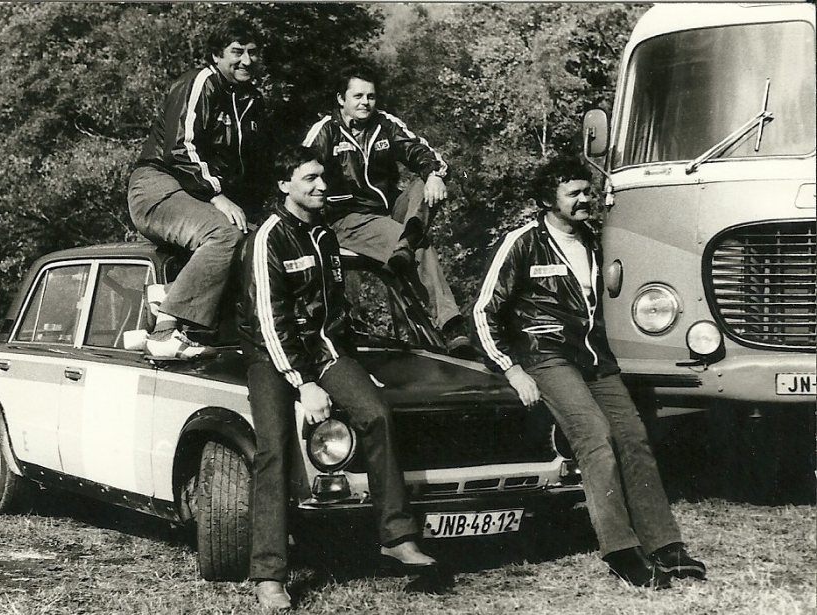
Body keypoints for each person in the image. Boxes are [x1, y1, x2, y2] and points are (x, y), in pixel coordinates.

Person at [470, 154, 706, 589]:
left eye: (586, 191)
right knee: (595, 437)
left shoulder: (595, 240)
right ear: (549, 199)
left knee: (633, 436)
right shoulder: (522, 242)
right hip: (544, 356)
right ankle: (621, 551)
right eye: (573, 193)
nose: (584, 200)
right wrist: (512, 369)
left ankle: (665, 544)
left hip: (594, 357)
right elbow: (484, 311)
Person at [236, 145, 438, 610]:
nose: (321, 186)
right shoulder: (267, 238)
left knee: (376, 413)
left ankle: (397, 537)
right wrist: (302, 382)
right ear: (284, 185)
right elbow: (269, 320)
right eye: (309, 178)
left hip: (325, 352)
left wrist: (349, 371)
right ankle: (269, 573)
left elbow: (333, 315)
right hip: (272, 357)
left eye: (322, 177)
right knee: (274, 448)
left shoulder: (325, 236)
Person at [302, 65, 471, 354]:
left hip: (389, 210)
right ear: (341, 99)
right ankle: (451, 325)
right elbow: (301, 172)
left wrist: (434, 174)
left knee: (425, 183)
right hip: (348, 217)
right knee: (420, 246)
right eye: (357, 96)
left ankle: (405, 244)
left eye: (370, 96)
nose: (365, 103)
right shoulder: (326, 131)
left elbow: (421, 152)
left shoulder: (385, 124)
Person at [127, 18, 268, 359]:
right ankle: (164, 332)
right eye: (237, 52)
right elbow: (180, 149)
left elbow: (257, 168)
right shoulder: (201, 83)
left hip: (198, 191)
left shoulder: (252, 100)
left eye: (252, 52)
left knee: (260, 244)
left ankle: (170, 294)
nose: (246, 60)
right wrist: (217, 196)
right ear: (216, 55)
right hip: (159, 185)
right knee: (223, 233)